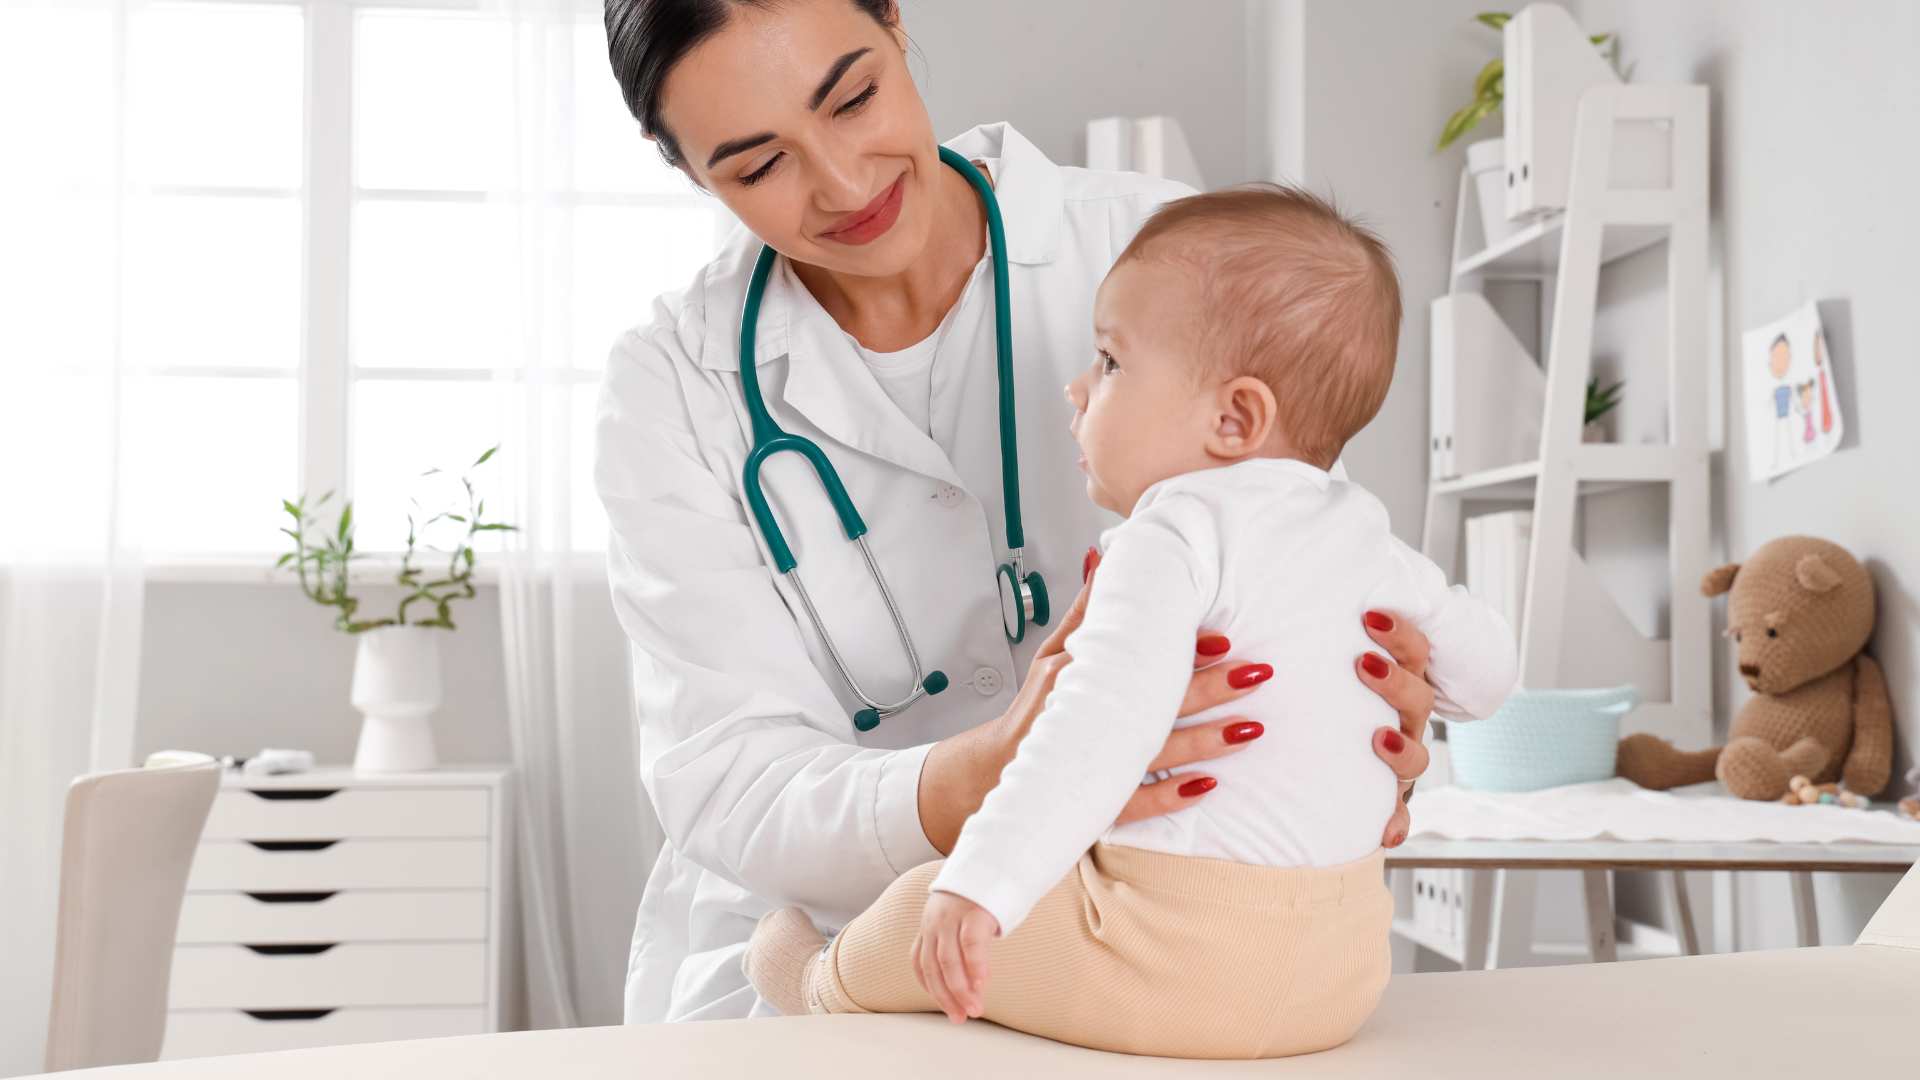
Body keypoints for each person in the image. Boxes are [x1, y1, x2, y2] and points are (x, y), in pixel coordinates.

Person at [595, 0, 1446, 1023]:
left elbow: (1306, 546)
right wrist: (986, 777)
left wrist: (1361, 693)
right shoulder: (673, 386)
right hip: (823, 949)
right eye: (756, 165)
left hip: (1160, 910)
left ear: (896, 22)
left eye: (853, 97)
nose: (844, 183)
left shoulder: (1158, 252)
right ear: (679, 162)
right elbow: (731, 784)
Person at [740, 186, 1517, 1058]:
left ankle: (816, 982)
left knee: (925, 902)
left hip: (1173, 967)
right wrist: (1418, 680)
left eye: (1109, 362)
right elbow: (1489, 677)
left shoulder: (1172, 532)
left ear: (1235, 418)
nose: (1078, 387)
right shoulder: (1366, 532)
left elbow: (1094, 730)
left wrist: (982, 883)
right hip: (1344, 973)